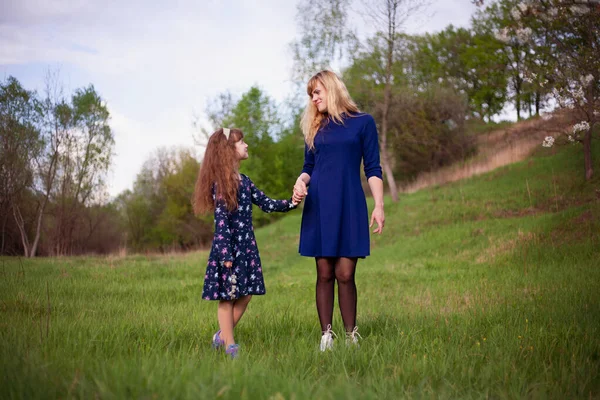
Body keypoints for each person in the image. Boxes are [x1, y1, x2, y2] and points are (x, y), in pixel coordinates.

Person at [292, 70, 385, 351]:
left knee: (345, 273)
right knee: (324, 273)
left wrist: (379, 205)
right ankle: (326, 336)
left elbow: (372, 167)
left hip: (349, 202)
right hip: (319, 203)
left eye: (317, 92)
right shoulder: (316, 127)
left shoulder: (363, 123)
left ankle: (351, 335)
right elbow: (309, 167)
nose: (313, 98)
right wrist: (300, 181)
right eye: (311, 94)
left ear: (332, 90)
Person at [193, 127, 299, 359]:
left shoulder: (245, 181)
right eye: (242, 142)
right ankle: (230, 345)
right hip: (228, 248)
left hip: (246, 247)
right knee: (228, 296)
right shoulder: (221, 184)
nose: (246, 145)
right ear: (228, 150)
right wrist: (225, 254)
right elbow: (221, 221)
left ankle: (220, 336)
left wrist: (292, 202)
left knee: (246, 294)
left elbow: (267, 204)